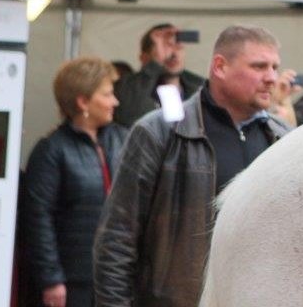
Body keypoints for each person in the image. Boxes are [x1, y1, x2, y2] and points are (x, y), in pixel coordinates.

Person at [93, 26, 291, 307]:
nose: (271, 77)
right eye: (259, 66)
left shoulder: (284, 138)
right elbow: (117, 239)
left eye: (274, 67)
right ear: (220, 66)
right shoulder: (159, 132)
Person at [21, 57, 127, 307]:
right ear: (83, 101)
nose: (115, 101)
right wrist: (51, 279)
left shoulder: (124, 139)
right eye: (107, 94)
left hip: (116, 277)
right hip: (71, 280)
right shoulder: (51, 150)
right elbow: (37, 218)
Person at [112, 23, 204, 127]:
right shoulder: (128, 86)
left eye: (178, 47)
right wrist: (156, 64)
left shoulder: (201, 87)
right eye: (165, 47)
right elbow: (128, 117)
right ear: (144, 58)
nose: (173, 54)